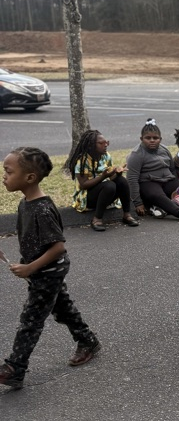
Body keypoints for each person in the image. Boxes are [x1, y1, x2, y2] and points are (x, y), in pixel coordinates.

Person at [0, 147, 100, 390]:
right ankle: (88, 341)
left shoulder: (42, 209)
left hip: (48, 271)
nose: (4, 176)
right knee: (62, 309)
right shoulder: (26, 204)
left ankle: (15, 367)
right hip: (39, 270)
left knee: (31, 319)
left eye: (8, 171)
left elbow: (58, 248)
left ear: (29, 177)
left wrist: (30, 267)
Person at [126, 119, 179, 223]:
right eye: (148, 138)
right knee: (157, 196)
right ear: (141, 139)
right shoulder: (136, 155)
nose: (152, 140)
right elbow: (132, 179)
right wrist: (138, 203)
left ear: (160, 139)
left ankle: (160, 208)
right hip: (149, 183)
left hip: (167, 179)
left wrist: (178, 185)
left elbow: (172, 169)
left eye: (155, 138)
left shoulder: (164, 149)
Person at [65, 129, 139, 232]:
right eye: (101, 143)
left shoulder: (106, 156)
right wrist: (103, 177)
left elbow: (111, 177)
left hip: (104, 193)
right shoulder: (82, 160)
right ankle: (97, 218)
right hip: (86, 198)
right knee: (109, 185)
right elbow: (83, 185)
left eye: (106, 142)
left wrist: (117, 174)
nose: (105, 145)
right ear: (91, 145)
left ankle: (127, 215)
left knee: (122, 181)